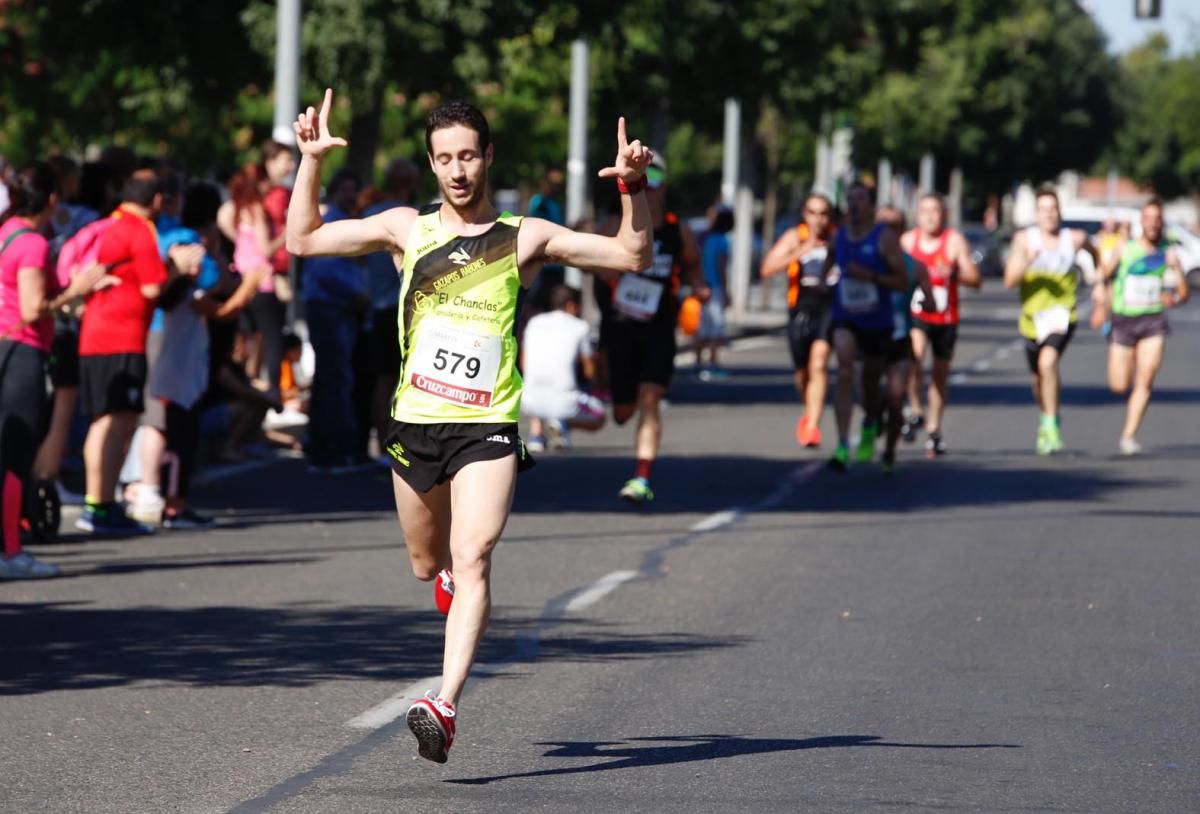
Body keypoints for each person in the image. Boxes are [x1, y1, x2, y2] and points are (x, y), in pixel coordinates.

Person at [286, 90, 653, 763]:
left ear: (488, 157)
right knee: (429, 561)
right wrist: (309, 162)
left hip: (487, 424)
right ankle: (447, 582)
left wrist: (634, 186)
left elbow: (630, 257)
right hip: (416, 424)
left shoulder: (524, 235)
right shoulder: (406, 229)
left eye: (468, 157)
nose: (457, 171)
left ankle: (444, 702)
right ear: (431, 165)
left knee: (475, 553)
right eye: (444, 159)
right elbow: (303, 238)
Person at [1, 162, 112, 578]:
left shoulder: (4, 234)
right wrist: (75, 292)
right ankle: (10, 552)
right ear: (51, 199)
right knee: (15, 454)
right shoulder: (30, 242)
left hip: (5, 347)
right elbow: (33, 309)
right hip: (22, 351)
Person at [76, 166, 189, 535]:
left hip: (95, 333)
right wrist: (178, 266)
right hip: (121, 336)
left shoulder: (110, 223)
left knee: (103, 420)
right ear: (156, 200)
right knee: (117, 421)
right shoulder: (138, 230)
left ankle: (97, 503)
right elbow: (153, 288)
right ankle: (101, 506)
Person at [597, 153, 702, 505]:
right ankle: (620, 403)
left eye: (655, 183)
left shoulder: (677, 229)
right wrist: (608, 269)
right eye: (644, 182)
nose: (651, 190)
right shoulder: (615, 222)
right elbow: (589, 261)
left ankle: (642, 477)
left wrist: (700, 288)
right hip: (621, 326)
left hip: (659, 326)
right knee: (623, 411)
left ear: (664, 188)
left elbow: (692, 266)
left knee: (651, 398)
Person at [1004, 187, 1097, 456]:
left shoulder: (1075, 238)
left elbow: (1096, 253)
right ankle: (1048, 416)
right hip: (1032, 320)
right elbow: (1010, 280)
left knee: (1048, 362)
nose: (1049, 215)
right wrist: (1028, 261)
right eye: (1043, 209)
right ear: (1036, 214)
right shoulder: (1024, 240)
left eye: (1053, 209)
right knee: (1038, 378)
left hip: (1062, 315)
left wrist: (1101, 281)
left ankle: (1050, 426)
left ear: (1060, 212)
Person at [823, 181, 909, 471]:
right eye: (851, 199)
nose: (854, 204)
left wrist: (870, 276)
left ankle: (872, 418)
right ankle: (843, 444)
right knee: (845, 370)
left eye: (860, 199)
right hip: (846, 315)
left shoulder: (884, 238)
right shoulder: (839, 238)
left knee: (870, 384)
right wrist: (826, 281)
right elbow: (828, 268)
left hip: (877, 321)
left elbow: (900, 282)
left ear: (871, 205)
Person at [1099, 198, 1189, 455]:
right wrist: (1101, 301)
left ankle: (1128, 435)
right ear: (1141, 222)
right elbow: (1103, 275)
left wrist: (1176, 272)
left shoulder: (1167, 253)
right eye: (1148, 218)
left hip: (1153, 320)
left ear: (1162, 223)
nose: (1152, 224)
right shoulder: (1125, 249)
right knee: (1119, 385)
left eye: (1157, 219)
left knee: (1146, 377)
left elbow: (1183, 295)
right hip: (1124, 319)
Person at [901, 193, 982, 456]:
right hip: (917, 312)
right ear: (917, 215)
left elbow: (975, 280)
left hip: (946, 317)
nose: (929, 216)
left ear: (943, 214)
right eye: (924, 211)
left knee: (939, 374)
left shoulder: (954, 242)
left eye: (935, 211)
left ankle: (934, 429)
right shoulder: (908, 241)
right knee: (914, 355)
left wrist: (955, 272)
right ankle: (915, 408)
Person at [300, 167, 368, 472]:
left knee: (334, 379)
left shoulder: (352, 221)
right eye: (344, 190)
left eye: (353, 189)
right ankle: (328, 451)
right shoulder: (333, 222)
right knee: (333, 379)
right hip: (329, 307)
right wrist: (355, 293)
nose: (350, 195)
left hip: (341, 309)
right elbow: (325, 270)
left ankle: (327, 448)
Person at [761, 193, 835, 448]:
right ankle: (809, 408)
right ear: (805, 214)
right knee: (803, 373)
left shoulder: (837, 238)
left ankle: (813, 425)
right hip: (800, 310)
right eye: (813, 213)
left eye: (824, 213)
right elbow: (767, 268)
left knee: (819, 363)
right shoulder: (795, 237)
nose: (819, 219)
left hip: (830, 309)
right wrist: (799, 252)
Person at [360, 158, 419, 452]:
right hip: (401, 307)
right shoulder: (416, 220)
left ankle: (387, 444)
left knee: (386, 380)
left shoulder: (371, 215)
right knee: (398, 380)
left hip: (381, 307)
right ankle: (391, 444)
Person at [219, 162, 287, 399]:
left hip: (242, 280)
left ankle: (248, 389)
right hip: (262, 281)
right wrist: (288, 234)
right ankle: (272, 393)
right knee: (271, 339)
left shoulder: (237, 209)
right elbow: (266, 249)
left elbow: (224, 222)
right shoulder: (256, 209)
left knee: (246, 339)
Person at [875, 207, 935, 472]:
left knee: (897, 397)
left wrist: (927, 299)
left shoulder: (915, 266)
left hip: (899, 338)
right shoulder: (865, 261)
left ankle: (889, 452)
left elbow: (931, 303)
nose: (888, 231)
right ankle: (873, 417)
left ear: (902, 230)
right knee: (871, 393)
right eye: (882, 225)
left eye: (894, 225)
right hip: (870, 337)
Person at [521, 284, 606, 451]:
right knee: (600, 416)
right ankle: (561, 422)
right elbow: (590, 372)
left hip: (528, 400)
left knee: (537, 383)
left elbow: (524, 363)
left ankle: (536, 434)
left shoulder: (534, 322)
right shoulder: (580, 326)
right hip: (565, 400)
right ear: (570, 305)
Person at [695, 206, 732, 374]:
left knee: (703, 325)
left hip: (702, 286)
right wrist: (726, 290)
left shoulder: (704, 238)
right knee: (716, 326)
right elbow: (722, 267)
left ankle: (698, 361)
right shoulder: (722, 240)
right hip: (715, 286)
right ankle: (712, 362)